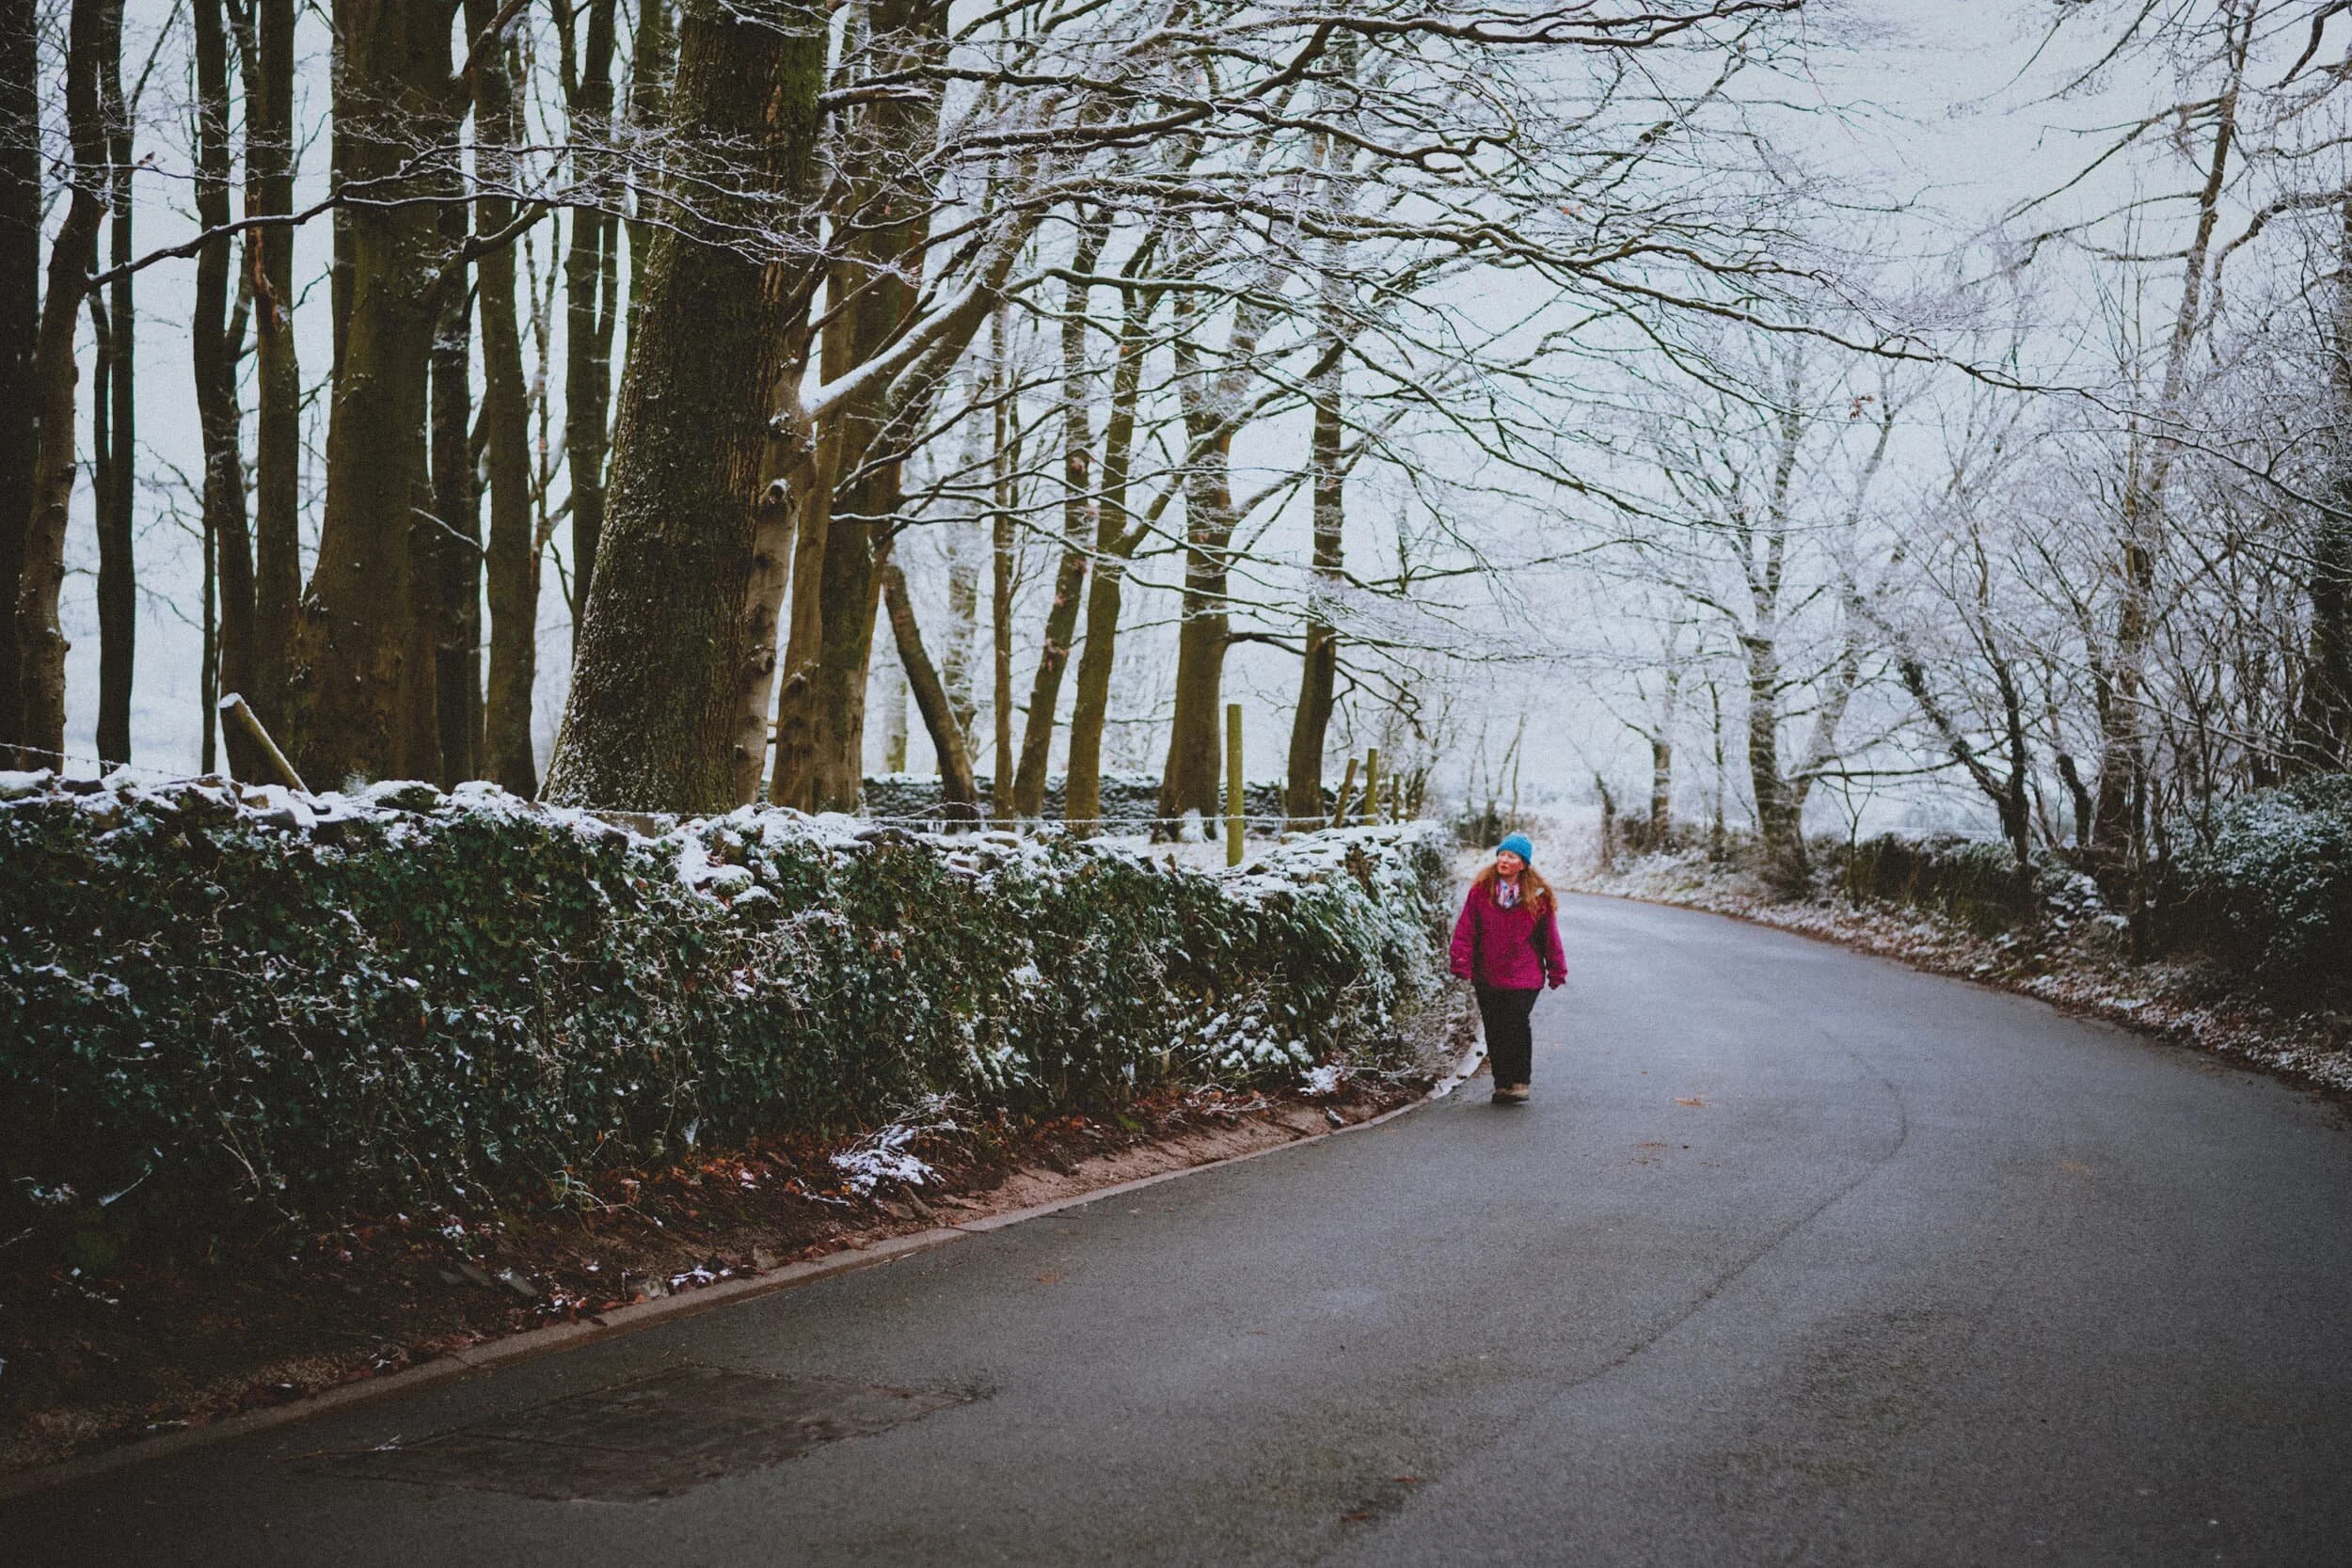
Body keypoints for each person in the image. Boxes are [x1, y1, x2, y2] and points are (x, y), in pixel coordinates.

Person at [1449, 832, 1566, 1104]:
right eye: (1502, 854)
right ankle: (1502, 1084)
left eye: (1511, 856)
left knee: (1515, 1023)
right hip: (1488, 972)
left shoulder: (1538, 898)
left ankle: (1520, 1081)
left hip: (1525, 974)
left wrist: (1557, 969)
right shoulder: (1481, 891)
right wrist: (1461, 961)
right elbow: (1466, 928)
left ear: (1523, 864)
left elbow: (1550, 937)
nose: (1504, 860)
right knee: (1494, 1027)